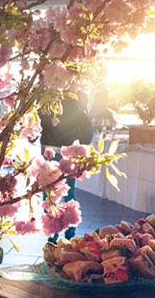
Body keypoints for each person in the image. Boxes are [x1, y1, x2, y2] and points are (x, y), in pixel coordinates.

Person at [39, 95, 93, 242]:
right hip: (67, 153)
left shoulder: (45, 101)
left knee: (49, 193)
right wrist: (80, 147)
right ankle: (69, 233)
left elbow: (38, 126)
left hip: (50, 151)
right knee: (68, 193)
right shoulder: (72, 102)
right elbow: (88, 128)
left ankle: (52, 233)